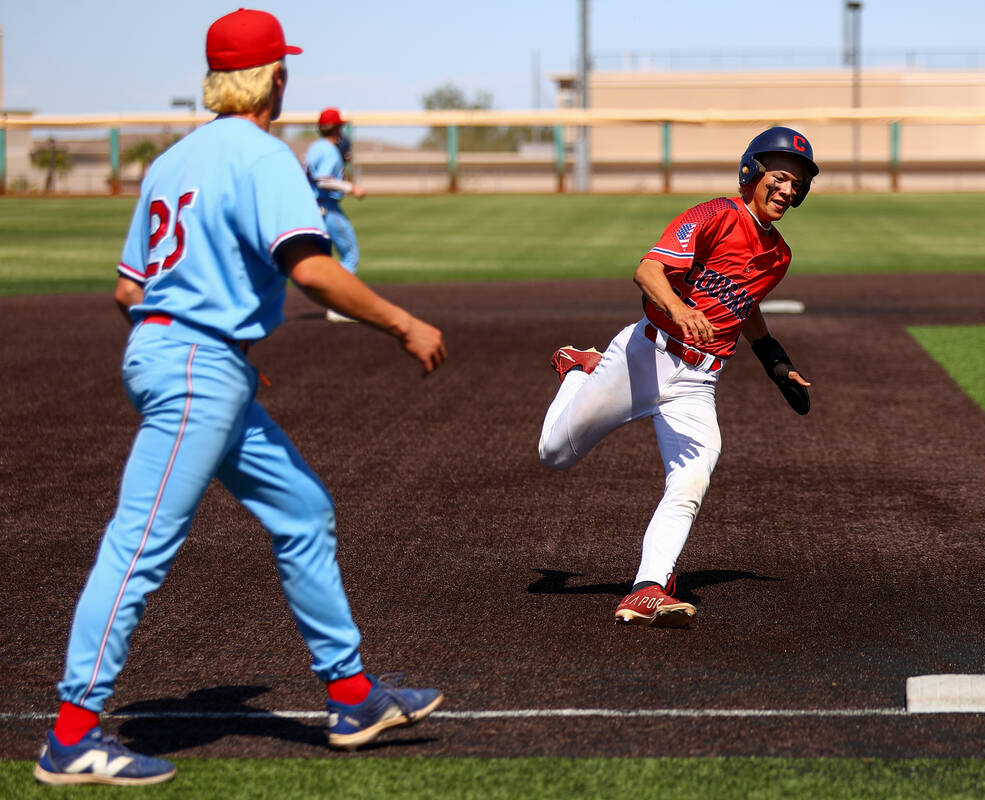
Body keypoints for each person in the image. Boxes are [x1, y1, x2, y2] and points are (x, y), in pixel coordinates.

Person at [34, 9, 447, 787]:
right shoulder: (265, 157)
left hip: (186, 359)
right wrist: (402, 323)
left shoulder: (171, 161)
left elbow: (129, 286)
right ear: (275, 79)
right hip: (196, 367)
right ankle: (71, 736)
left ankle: (353, 698)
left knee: (302, 511)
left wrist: (210, 351)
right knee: (138, 547)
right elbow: (311, 269)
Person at [538, 126, 817, 628]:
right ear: (751, 173)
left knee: (690, 478)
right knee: (554, 455)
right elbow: (647, 271)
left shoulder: (780, 256)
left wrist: (775, 360)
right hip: (644, 357)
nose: (788, 189)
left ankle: (646, 589)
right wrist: (679, 307)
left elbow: (744, 306)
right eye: (780, 177)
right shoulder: (714, 214)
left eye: (797, 183)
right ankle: (582, 370)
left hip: (697, 382)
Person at [305, 107, 364, 323]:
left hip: (312, 208)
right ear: (337, 127)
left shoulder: (315, 147)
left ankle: (333, 303)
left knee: (325, 259)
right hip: (327, 207)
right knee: (350, 255)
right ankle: (339, 307)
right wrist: (350, 188)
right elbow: (323, 180)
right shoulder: (329, 150)